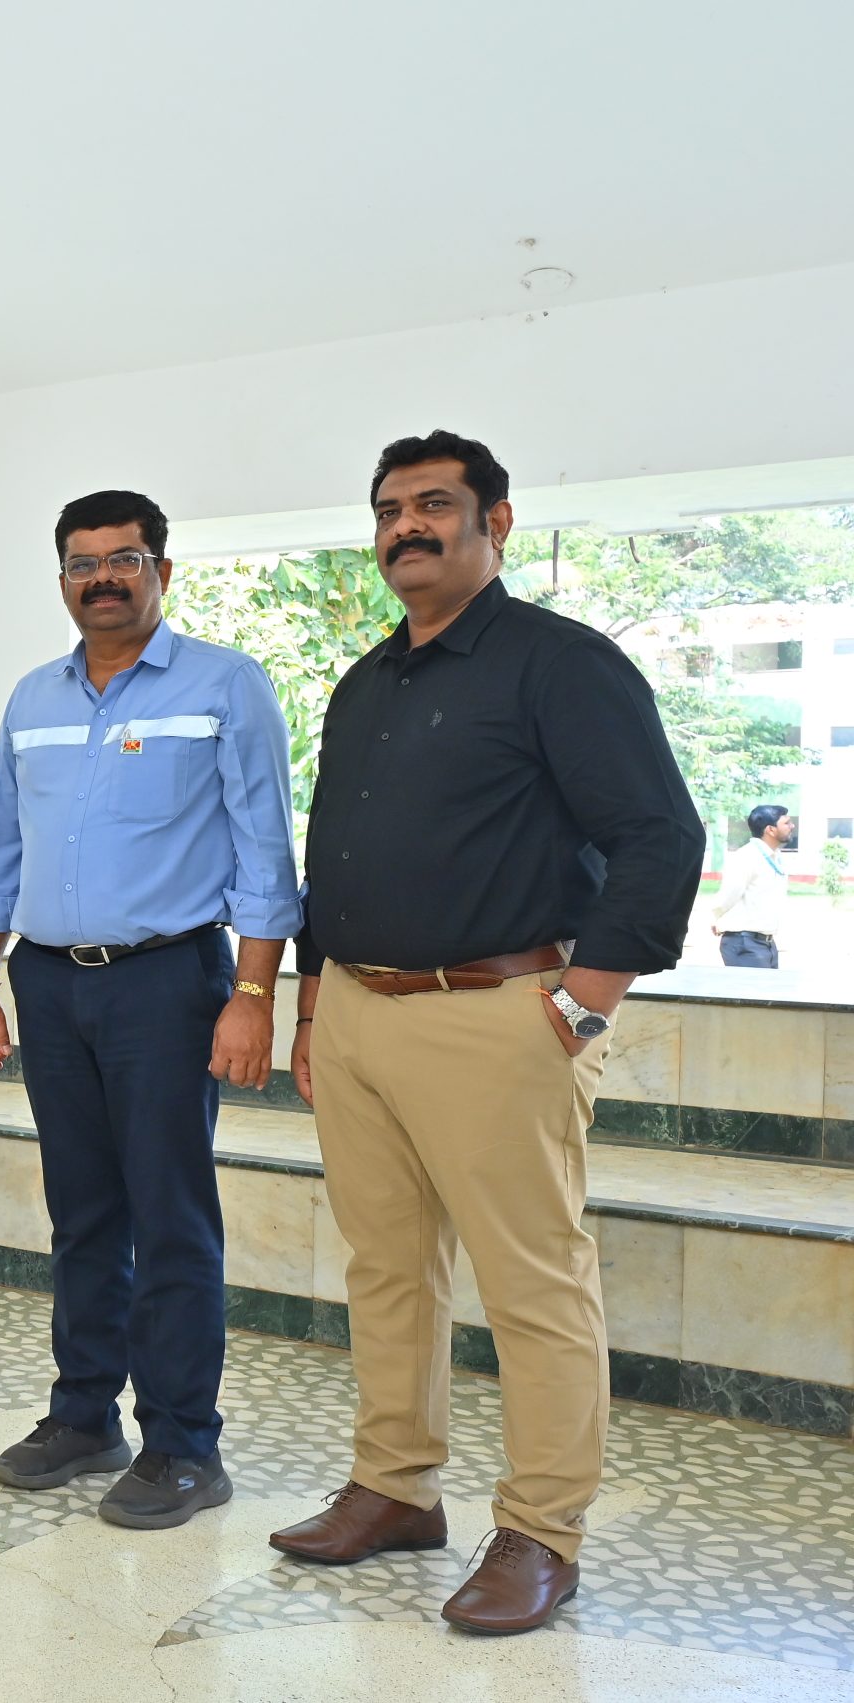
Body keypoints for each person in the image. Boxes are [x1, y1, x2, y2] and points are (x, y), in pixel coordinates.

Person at [275, 431, 701, 1634]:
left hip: (497, 1013)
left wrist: (583, 1000)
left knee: (532, 1284)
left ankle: (540, 1530)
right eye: (389, 509)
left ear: (495, 522)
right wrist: (317, 1007)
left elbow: (660, 836)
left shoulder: (561, 665)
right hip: (358, 1010)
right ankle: (395, 1486)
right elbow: (335, 858)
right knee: (384, 1270)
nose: (406, 526)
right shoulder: (365, 681)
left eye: (433, 505)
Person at [0, 489, 300, 1530]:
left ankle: (184, 1445)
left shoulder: (223, 686)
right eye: (80, 562)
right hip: (51, 982)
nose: (101, 577)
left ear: (161, 569)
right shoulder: (32, 698)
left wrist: (251, 994)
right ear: (61, 576)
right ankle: (83, 1414)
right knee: (83, 1212)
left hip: (169, 981)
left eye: (123, 559)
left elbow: (262, 851)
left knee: (169, 1214)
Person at [708, 803, 791, 967]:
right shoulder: (747, 856)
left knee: (771, 992)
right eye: (786, 823)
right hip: (745, 943)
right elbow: (728, 895)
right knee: (754, 992)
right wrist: (715, 917)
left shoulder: (775, 856)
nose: (792, 826)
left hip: (766, 943)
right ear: (770, 830)